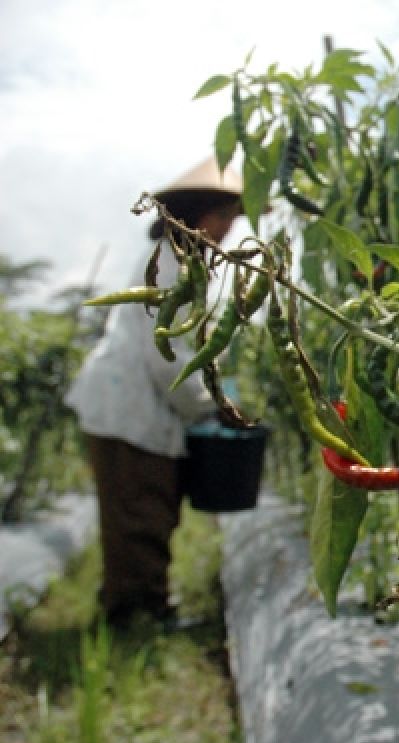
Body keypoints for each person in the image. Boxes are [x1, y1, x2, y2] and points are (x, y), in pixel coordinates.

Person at [66, 157, 244, 628]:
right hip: (128, 409)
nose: (227, 229)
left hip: (137, 407)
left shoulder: (180, 263)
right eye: (224, 217)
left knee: (150, 508)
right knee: (139, 513)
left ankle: (144, 607)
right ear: (198, 214)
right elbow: (165, 356)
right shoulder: (170, 266)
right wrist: (212, 406)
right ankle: (133, 618)